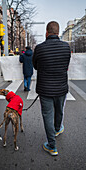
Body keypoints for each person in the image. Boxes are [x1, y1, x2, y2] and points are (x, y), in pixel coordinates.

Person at [32, 21, 71, 156]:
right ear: (58, 32)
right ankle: (57, 129)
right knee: (59, 111)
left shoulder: (39, 48)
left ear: (46, 33)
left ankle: (52, 146)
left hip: (45, 89)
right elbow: (66, 65)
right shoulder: (66, 47)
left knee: (48, 115)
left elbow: (36, 66)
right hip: (61, 87)